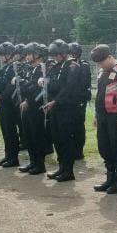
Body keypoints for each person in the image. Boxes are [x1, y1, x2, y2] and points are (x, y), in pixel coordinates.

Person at [90, 44, 117, 194]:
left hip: (115, 116)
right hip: (102, 116)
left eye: (102, 61)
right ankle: (109, 178)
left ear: (109, 57)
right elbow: (99, 95)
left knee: (116, 148)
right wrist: (95, 115)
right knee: (104, 147)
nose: (100, 65)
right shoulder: (102, 72)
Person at [45, 39, 81, 182]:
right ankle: (61, 167)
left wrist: (56, 100)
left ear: (64, 53)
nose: (54, 57)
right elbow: (52, 84)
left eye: (56, 54)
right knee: (57, 138)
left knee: (66, 140)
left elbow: (69, 87)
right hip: (55, 108)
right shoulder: (56, 67)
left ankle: (68, 170)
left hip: (67, 108)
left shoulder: (73, 66)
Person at [18, 43, 49, 175]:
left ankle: (40, 164)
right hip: (27, 106)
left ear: (37, 55)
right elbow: (26, 87)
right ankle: (32, 161)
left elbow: (37, 90)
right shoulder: (30, 69)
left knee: (37, 136)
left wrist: (29, 101)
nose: (27, 57)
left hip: (37, 108)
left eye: (30, 54)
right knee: (28, 135)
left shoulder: (43, 69)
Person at [0, 42, 22, 167]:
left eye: (2, 55)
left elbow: (12, 87)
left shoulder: (16, 67)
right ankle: (8, 155)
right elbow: (0, 85)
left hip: (11, 104)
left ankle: (13, 158)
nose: (0, 58)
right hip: (3, 104)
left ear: (9, 55)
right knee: (5, 130)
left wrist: (1, 96)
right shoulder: (4, 68)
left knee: (11, 131)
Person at [69, 42, 91, 161]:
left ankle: (78, 151)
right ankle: (72, 150)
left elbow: (84, 83)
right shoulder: (67, 65)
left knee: (78, 126)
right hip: (69, 101)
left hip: (79, 101)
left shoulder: (84, 65)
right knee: (70, 126)